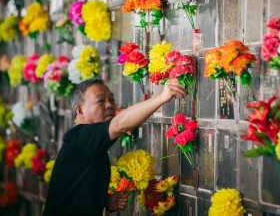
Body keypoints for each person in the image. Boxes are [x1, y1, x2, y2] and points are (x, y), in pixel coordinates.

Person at [43, 78, 186, 216]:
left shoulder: (87, 141)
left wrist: (105, 200)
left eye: (111, 99)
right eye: (100, 100)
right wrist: (162, 97)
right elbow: (119, 124)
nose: (109, 105)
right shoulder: (81, 137)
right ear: (80, 111)